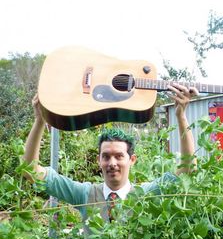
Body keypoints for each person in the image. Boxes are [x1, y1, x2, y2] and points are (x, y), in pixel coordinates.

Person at [22, 84, 198, 229]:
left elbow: (187, 172)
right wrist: (39, 121)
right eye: (105, 156)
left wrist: (181, 117)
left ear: (132, 160)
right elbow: (31, 172)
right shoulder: (85, 194)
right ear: (99, 160)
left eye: (119, 156)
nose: (112, 163)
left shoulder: (146, 194)